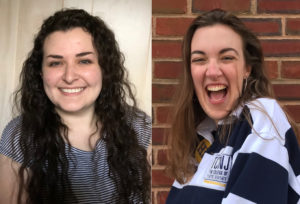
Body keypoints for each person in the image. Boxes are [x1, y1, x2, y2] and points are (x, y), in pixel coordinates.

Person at [0, 9, 151, 204]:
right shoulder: (19, 136)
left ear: (104, 68)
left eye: (84, 61)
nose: (69, 77)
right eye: (55, 63)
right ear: (40, 72)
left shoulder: (142, 128)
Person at [166, 9, 300, 204]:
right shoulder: (203, 137)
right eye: (199, 59)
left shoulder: (261, 120)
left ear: (247, 68)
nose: (212, 71)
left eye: (227, 57)